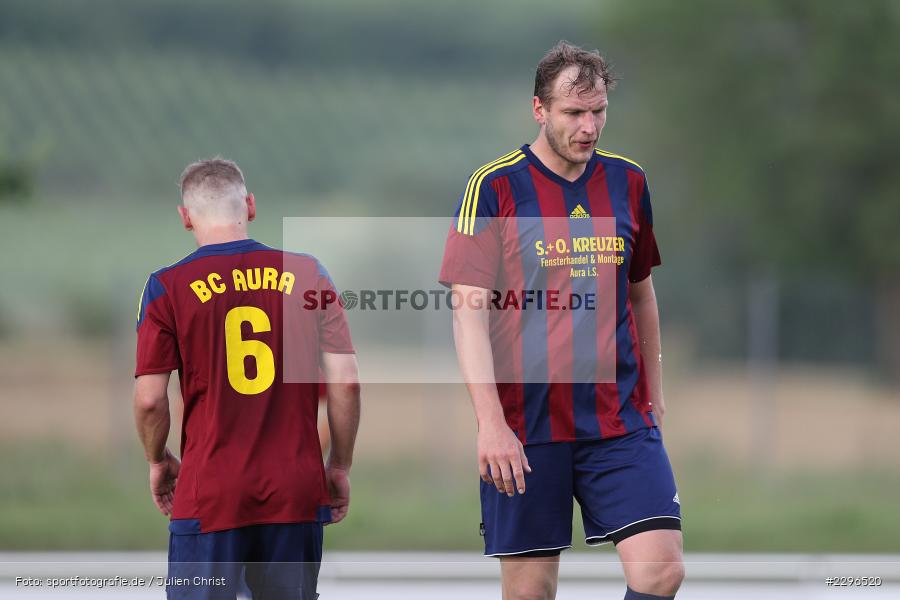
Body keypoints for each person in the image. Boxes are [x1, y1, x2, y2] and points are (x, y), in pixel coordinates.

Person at [439, 42, 684, 599]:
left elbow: (641, 295)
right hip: (526, 426)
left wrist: (655, 395)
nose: (589, 126)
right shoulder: (494, 187)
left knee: (661, 570)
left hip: (619, 420)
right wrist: (490, 424)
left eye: (599, 111)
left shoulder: (628, 181)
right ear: (539, 109)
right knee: (531, 591)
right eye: (574, 112)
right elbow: (467, 315)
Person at [134, 158, 360, 600]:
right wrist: (339, 465)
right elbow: (346, 382)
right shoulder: (309, 273)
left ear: (185, 217)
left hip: (209, 493)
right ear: (251, 206)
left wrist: (157, 459)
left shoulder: (166, 287)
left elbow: (149, 400)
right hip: (294, 493)